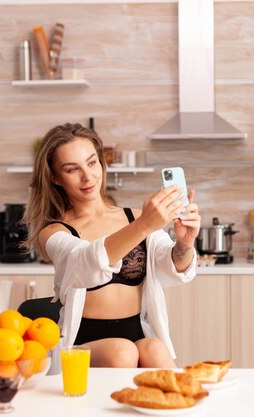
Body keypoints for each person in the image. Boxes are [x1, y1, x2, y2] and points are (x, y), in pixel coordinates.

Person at [22, 122, 200, 368]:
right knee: (122, 352)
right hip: (85, 343)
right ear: (55, 177)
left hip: (137, 333)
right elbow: (84, 263)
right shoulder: (54, 232)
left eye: (92, 163)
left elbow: (171, 267)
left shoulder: (135, 217)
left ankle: (180, 403)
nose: (88, 176)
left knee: (155, 348)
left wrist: (185, 243)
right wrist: (145, 225)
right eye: (72, 169)